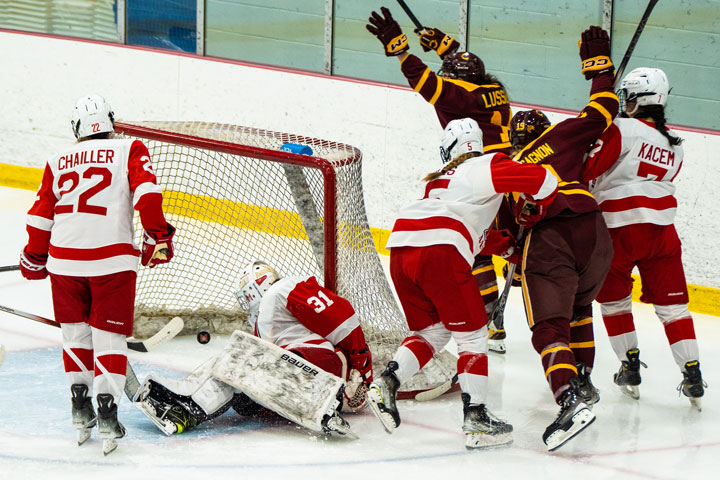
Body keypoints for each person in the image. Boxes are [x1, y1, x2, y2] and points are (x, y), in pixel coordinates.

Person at [365, 117, 558, 449]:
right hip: (441, 252)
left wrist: (509, 247)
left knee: (433, 331)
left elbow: (473, 233)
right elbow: (546, 181)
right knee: (473, 336)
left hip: (402, 250)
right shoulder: (489, 164)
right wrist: (534, 209)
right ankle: (477, 417)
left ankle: (386, 383)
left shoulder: (437, 181)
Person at [19, 94, 175, 455]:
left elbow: (41, 215)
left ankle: (79, 407)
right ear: (111, 122)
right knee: (109, 340)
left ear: (77, 128)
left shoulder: (57, 159)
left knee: (75, 336)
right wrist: (158, 236)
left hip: (64, 264)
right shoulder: (129, 149)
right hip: (112, 264)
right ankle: (106, 414)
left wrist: (34, 258)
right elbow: (148, 196)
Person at [366, 7, 514, 351]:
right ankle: (496, 322)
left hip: (482, 180)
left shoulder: (462, 96)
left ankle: (489, 320)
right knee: (499, 247)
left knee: (476, 250)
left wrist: (401, 49)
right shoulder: (493, 90)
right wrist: (447, 48)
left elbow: (429, 84)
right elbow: (465, 71)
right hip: (505, 177)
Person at [506, 26, 618, 451]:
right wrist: (597, 66)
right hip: (595, 234)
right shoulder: (564, 135)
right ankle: (584, 381)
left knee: (549, 326)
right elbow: (604, 107)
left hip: (551, 237)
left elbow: (507, 227)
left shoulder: (507, 165)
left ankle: (568, 398)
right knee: (580, 306)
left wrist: (512, 258)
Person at [583, 67, 707, 408]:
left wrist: (587, 131)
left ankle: (630, 366)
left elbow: (588, 169)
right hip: (661, 233)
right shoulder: (675, 146)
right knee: (675, 309)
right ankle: (692, 373)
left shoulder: (622, 129)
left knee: (615, 303)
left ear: (634, 99)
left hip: (616, 229)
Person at [135, 260, 373, 437]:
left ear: (257, 286)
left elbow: (341, 316)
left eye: (246, 293)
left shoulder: (281, 289)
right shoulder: (269, 321)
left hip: (317, 364)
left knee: (239, 358)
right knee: (242, 391)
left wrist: (362, 366)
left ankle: (185, 402)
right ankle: (184, 412)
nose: (246, 302)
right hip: (307, 379)